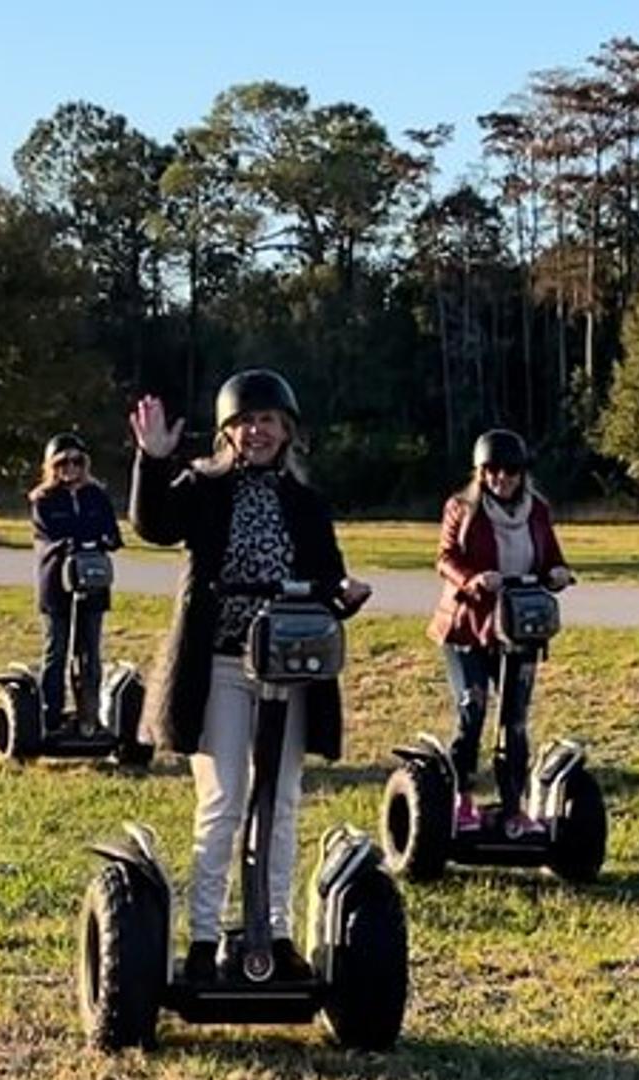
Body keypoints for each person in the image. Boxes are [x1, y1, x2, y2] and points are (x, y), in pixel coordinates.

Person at [127, 370, 371, 982]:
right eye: (243, 423)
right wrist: (152, 460)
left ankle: (276, 935)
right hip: (221, 665)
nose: (256, 432)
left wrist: (343, 594)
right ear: (227, 433)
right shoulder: (204, 487)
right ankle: (204, 940)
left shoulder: (305, 502)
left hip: (288, 668)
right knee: (225, 799)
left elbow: (327, 575)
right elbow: (154, 524)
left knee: (280, 801)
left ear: (286, 430)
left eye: (267, 421)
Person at [428, 428, 574, 838]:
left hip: (519, 626)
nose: (501, 478)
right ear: (480, 472)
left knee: (515, 720)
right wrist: (473, 579)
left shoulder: (537, 510)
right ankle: (461, 799)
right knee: (471, 710)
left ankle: (513, 808)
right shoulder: (462, 508)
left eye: (511, 470)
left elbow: (552, 558)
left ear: (522, 473)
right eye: (492, 470)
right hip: (468, 628)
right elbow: (445, 558)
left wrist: (558, 574)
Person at [28, 432, 121, 734]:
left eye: (77, 462)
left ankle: (89, 719)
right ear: (52, 466)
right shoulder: (43, 500)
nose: (70, 468)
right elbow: (46, 538)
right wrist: (70, 544)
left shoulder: (97, 496)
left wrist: (105, 541)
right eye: (63, 463)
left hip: (92, 581)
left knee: (89, 652)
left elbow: (112, 533)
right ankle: (50, 718)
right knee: (56, 651)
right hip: (56, 584)